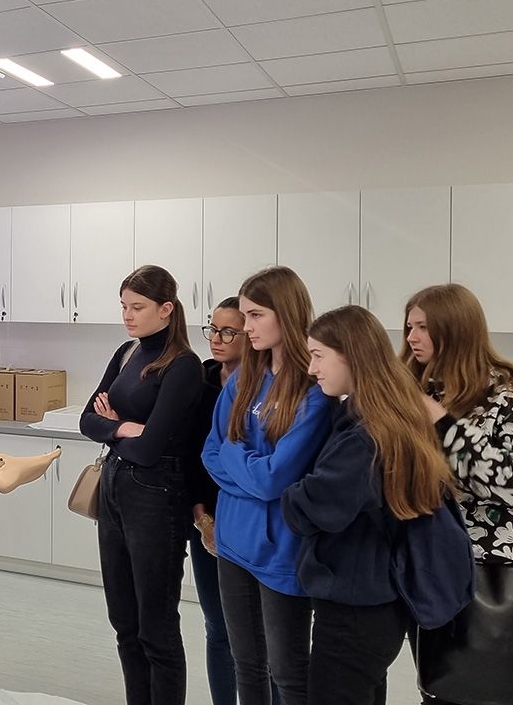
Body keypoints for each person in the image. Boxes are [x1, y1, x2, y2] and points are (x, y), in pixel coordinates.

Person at [282, 306, 455, 705]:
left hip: (354, 611)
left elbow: (310, 506)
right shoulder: (389, 417)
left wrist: (290, 492)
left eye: (318, 355)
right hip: (377, 602)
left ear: (351, 355)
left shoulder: (365, 437)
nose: (311, 368)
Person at [401, 284, 513, 705]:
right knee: (438, 689)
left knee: (493, 691)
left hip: (493, 569)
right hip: (429, 567)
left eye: (423, 327)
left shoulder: (507, 400)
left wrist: (444, 425)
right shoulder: (418, 391)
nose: (411, 337)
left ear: (455, 329)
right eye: (409, 326)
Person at [201, 266, 331, 705]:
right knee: (246, 664)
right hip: (232, 540)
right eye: (245, 316)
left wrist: (240, 459)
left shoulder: (314, 391)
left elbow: (276, 477)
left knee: (288, 673)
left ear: (287, 315)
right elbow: (210, 452)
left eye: (256, 316)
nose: (246, 327)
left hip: (280, 551)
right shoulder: (244, 379)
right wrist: (252, 473)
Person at [80, 265, 205, 705]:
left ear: (166, 309)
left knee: (156, 628)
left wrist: (115, 428)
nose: (127, 316)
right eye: (123, 306)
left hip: (156, 496)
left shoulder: (183, 365)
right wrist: (122, 428)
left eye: (137, 307)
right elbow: (87, 420)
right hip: (115, 487)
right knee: (125, 624)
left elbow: (152, 449)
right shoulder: (127, 352)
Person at [190, 296, 252, 705]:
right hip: (206, 520)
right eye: (213, 329)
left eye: (229, 331)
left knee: (259, 635)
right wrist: (202, 520)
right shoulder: (199, 381)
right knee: (217, 628)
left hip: (248, 522)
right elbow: (190, 458)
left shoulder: (265, 388)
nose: (217, 338)